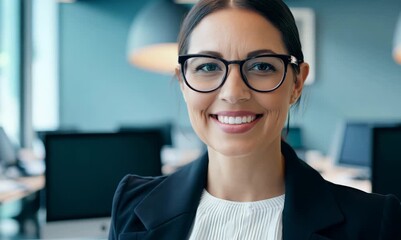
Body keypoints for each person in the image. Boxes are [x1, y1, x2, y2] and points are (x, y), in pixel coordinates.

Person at [109, 0, 401, 239]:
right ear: (183, 82)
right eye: (208, 66)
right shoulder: (131, 204)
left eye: (261, 66)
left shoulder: (374, 222)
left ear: (297, 83)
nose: (234, 92)